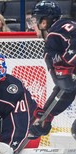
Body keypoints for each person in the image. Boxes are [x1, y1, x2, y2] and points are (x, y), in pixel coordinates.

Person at [28, 1, 76, 139]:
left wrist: (68, 62)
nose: (33, 26)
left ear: (44, 22)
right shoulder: (57, 39)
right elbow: (66, 89)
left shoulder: (55, 32)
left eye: (35, 20)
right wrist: (45, 115)